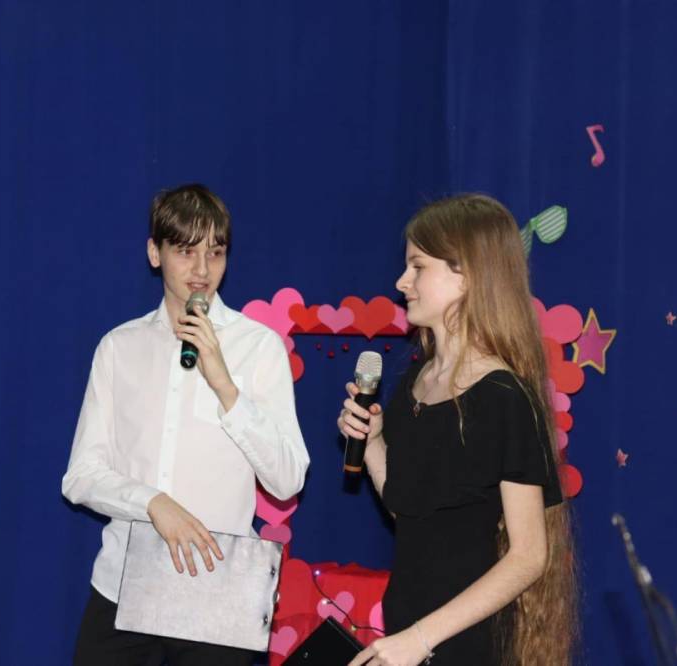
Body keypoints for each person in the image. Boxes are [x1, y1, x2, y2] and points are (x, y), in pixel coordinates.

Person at [64, 183, 310, 666]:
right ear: (155, 253)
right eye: (185, 251)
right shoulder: (119, 347)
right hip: (123, 585)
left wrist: (226, 387)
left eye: (215, 253)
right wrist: (152, 503)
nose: (202, 270)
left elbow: (287, 480)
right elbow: (81, 476)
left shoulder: (258, 347)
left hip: (218, 593)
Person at [337, 194, 578, 666]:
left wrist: (421, 638)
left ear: (466, 276)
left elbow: (529, 555)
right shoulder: (418, 379)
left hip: (465, 643)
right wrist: (373, 442)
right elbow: (409, 509)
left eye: (417, 267)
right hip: (408, 631)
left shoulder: (504, 397)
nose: (401, 282)